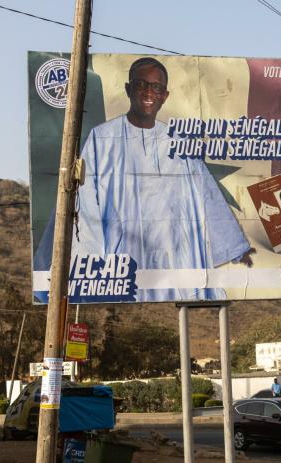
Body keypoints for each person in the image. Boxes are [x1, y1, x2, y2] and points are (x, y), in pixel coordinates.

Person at [36, 56, 252, 302]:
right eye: (141, 85)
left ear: (165, 95)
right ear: (129, 89)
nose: (149, 92)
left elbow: (207, 194)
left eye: (156, 87)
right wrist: (93, 261)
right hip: (123, 256)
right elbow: (85, 199)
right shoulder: (103, 138)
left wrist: (235, 247)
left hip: (175, 254)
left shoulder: (178, 143)